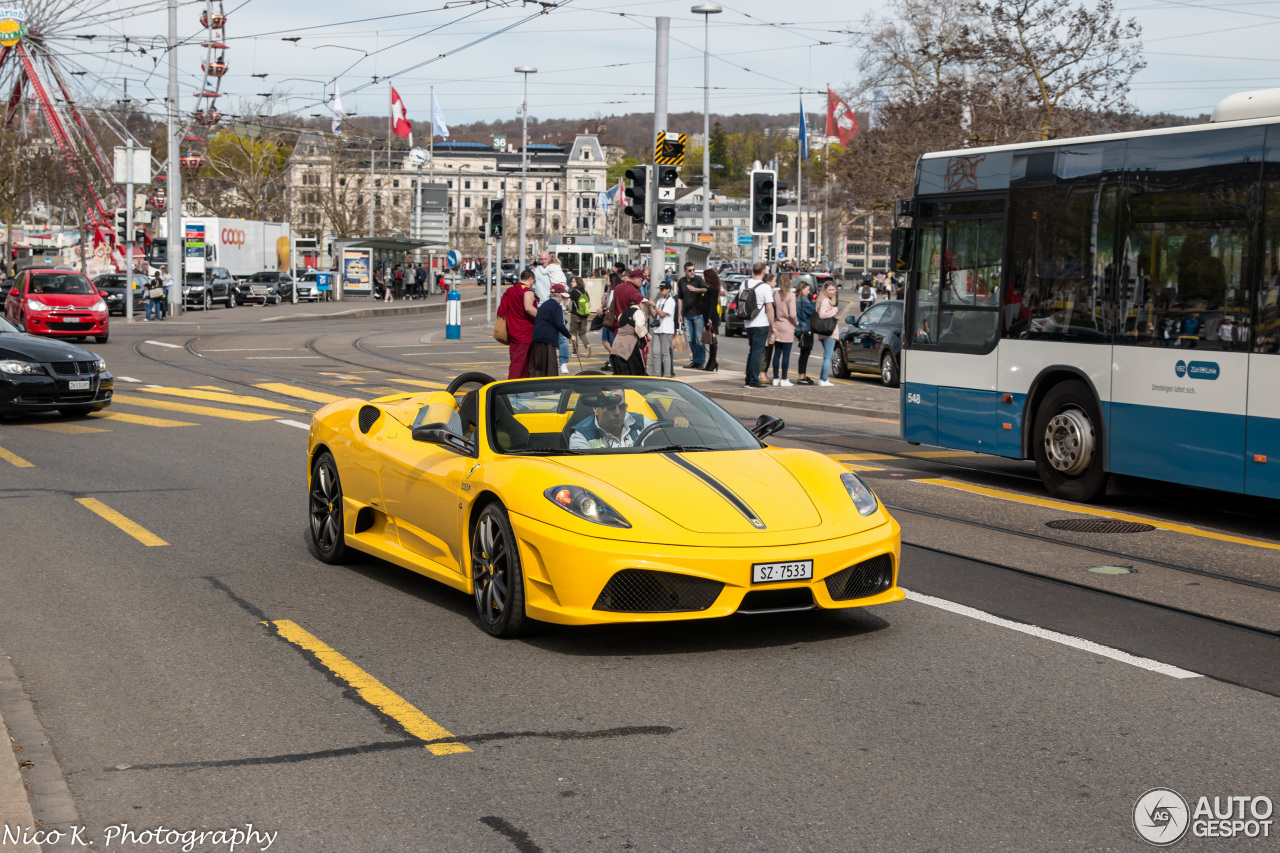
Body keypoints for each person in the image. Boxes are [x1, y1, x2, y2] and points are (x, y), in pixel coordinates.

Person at [568, 390, 659, 450]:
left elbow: (664, 433)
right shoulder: (582, 436)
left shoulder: (639, 422)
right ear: (595, 409)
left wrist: (673, 426)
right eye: (611, 407)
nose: (617, 413)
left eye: (622, 407)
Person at [497, 269, 538, 379]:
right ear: (530, 279)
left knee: (517, 361)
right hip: (525, 332)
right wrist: (543, 316)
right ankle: (512, 388)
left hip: (513, 330)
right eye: (534, 281)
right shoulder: (527, 292)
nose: (533, 284)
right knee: (520, 364)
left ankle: (520, 389)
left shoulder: (511, 290)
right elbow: (529, 308)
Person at [740, 261, 774, 389]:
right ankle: (753, 380)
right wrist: (773, 325)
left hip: (748, 322)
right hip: (761, 322)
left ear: (753, 270)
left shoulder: (744, 283)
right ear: (764, 272)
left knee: (752, 351)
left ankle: (748, 379)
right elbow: (769, 308)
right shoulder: (765, 287)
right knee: (757, 352)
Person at [530, 283, 572, 377]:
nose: (563, 299)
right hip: (548, 339)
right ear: (559, 296)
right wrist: (570, 336)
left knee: (538, 365)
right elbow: (560, 325)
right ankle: (551, 388)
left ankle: (536, 386)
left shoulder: (544, 304)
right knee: (550, 366)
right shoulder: (556, 306)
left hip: (537, 337)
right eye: (563, 297)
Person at [677, 262, 707, 369]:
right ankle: (695, 360)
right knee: (691, 339)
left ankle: (701, 361)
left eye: (693, 270)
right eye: (690, 270)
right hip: (686, 315)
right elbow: (680, 298)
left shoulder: (698, 280)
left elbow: (705, 289)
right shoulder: (681, 281)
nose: (692, 272)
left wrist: (696, 290)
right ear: (685, 271)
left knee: (699, 339)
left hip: (698, 314)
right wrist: (679, 314)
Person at [771, 273, 798, 386]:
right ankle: (784, 379)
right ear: (790, 281)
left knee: (777, 353)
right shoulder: (791, 295)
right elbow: (792, 313)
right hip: (787, 326)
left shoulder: (775, 293)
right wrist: (796, 323)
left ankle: (775, 378)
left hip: (777, 325)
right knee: (786, 354)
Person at [647, 281, 678, 378]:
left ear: (668, 290)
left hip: (666, 330)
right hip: (657, 330)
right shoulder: (660, 300)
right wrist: (649, 306)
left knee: (665, 353)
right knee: (656, 353)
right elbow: (654, 315)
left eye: (662, 289)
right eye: (660, 289)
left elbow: (662, 314)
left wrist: (654, 305)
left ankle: (667, 375)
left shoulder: (671, 301)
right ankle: (657, 375)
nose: (661, 291)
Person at [816, 281, 840, 387]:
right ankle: (824, 379)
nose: (831, 292)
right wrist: (833, 311)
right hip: (829, 332)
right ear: (825, 290)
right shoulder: (825, 300)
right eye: (829, 290)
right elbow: (822, 315)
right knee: (828, 357)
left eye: (833, 289)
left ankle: (823, 378)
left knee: (829, 356)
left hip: (823, 332)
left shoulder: (821, 300)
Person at [794, 281, 816, 385]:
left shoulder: (795, 299)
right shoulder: (804, 301)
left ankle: (802, 374)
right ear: (802, 289)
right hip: (805, 329)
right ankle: (801, 376)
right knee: (805, 353)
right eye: (807, 289)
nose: (809, 291)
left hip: (798, 329)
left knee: (803, 353)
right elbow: (813, 312)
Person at [701, 268, 722, 372]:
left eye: (705, 277)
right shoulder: (711, 288)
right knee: (711, 340)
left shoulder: (713, 290)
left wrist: (709, 318)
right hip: (708, 317)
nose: (704, 279)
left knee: (712, 340)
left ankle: (713, 362)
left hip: (711, 318)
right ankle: (711, 362)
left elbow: (712, 305)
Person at [567, 276, 593, 360]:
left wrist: (570, 310)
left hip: (575, 315)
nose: (571, 283)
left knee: (573, 332)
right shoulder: (585, 292)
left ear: (578, 282)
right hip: (584, 315)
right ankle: (587, 345)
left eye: (573, 281)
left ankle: (575, 352)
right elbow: (589, 305)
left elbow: (568, 303)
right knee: (582, 333)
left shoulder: (572, 291)